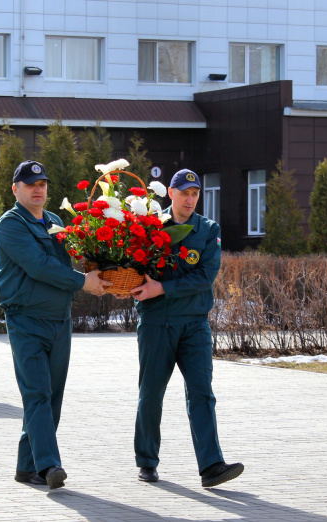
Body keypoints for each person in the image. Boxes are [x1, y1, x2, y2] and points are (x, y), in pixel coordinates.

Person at [0, 161, 112, 489]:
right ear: (15, 189)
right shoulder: (11, 224)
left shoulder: (55, 221)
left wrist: (106, 264)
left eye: (43, 183)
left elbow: (67, 259)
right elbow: (40, 266)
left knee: (52, 398)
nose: (38, 189)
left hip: (59, 320)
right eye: (31, 184)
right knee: (37, 394)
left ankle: (25, 466)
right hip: (26, 319)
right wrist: (82, 282)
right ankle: (49, 466)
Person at [129, 168, 244, 488]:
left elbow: (205, 277)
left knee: (202, 394)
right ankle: (147, 462)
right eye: (184, 193)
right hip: (156, 323)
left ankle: (211, 466)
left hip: (194, 324)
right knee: (151, 394)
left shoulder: (208, 230)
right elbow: (132, 265)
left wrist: (162, 288)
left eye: (195, 194)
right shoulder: (151, 225)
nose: (190, 199)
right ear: (171, 192)